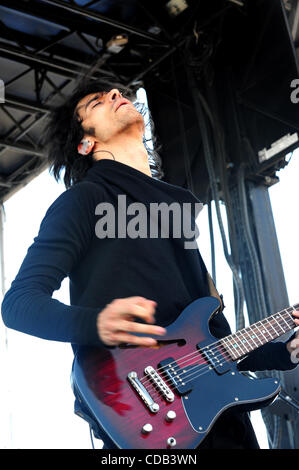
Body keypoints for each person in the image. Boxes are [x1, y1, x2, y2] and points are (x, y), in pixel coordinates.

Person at [1, 80, 299, 449]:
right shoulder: (84, 201)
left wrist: (282, 352)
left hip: (219, 419)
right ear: (85, 143)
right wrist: (95, 323)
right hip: (144, 414)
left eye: (117, 92)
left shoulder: (177, 208)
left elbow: (214, 339)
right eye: (97, 101)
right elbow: (18, 304)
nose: (115, 95)